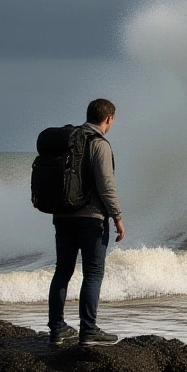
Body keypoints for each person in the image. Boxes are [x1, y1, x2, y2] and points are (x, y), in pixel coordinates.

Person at [48, 98, 126, 346]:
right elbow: (106, 185)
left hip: (62, 215)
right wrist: (117, 217)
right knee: (92, 274)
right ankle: (88, 330)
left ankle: (57, 329)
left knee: (62, 271)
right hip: (91, 219)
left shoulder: (70, 140)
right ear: (108, 119)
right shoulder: (98, 144)